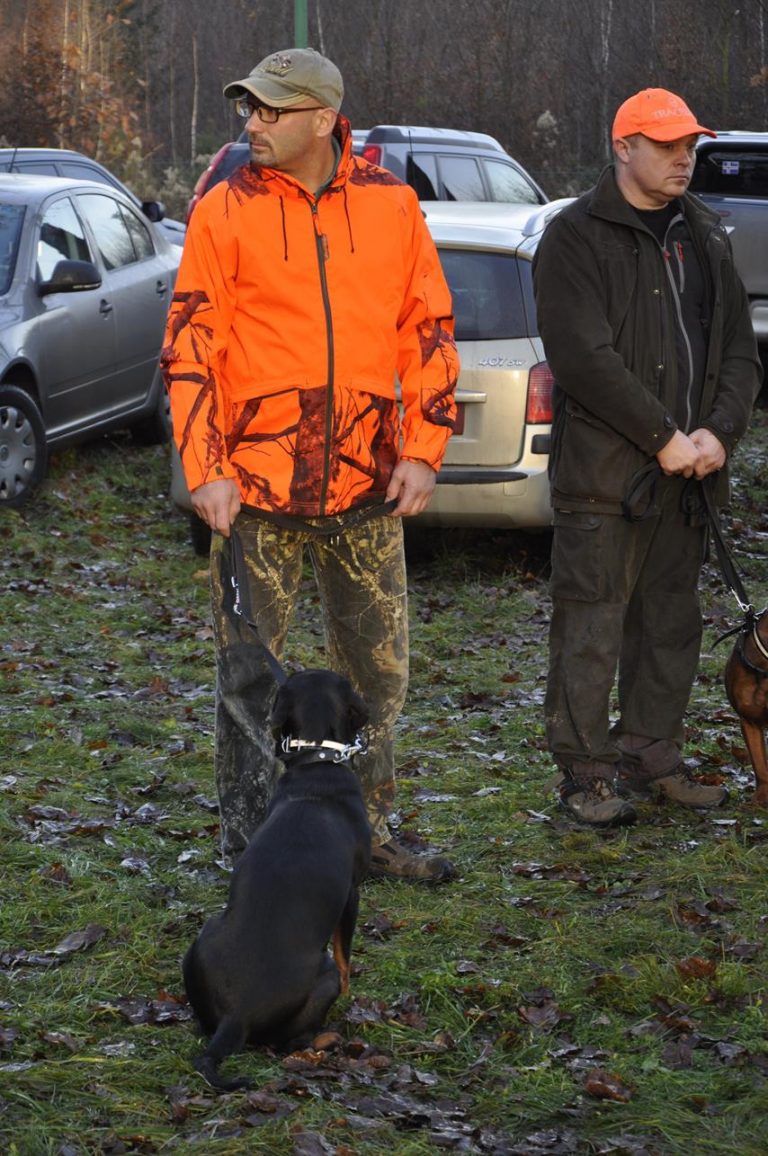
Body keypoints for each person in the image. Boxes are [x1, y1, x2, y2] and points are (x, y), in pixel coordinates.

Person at [161, 48, 459, 878]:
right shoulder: (224, 210)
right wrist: (206, 465)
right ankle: (253, 849)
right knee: (251, 680)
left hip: (366, 486)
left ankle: (363, 834)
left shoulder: (393, 207)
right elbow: (190, 345)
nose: (251, 123)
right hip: (253, 491)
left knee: (380, 675)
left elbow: (428, 332)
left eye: (270, 109)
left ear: (323, 119)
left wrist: (425, 451)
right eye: (248, 108)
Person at [532, 88, 761, 827]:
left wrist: (718, 435)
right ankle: (585, 774)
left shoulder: (705, 234)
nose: (682, 158)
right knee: (591, 626)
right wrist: (664, 436)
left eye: (688, 145)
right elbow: (582, 358)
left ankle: (650, 752)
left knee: (671, 622)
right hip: (606, 476)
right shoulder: (575, 236)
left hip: (691, 476)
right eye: (665, 145)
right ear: (622, 147)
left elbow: (736, 350)